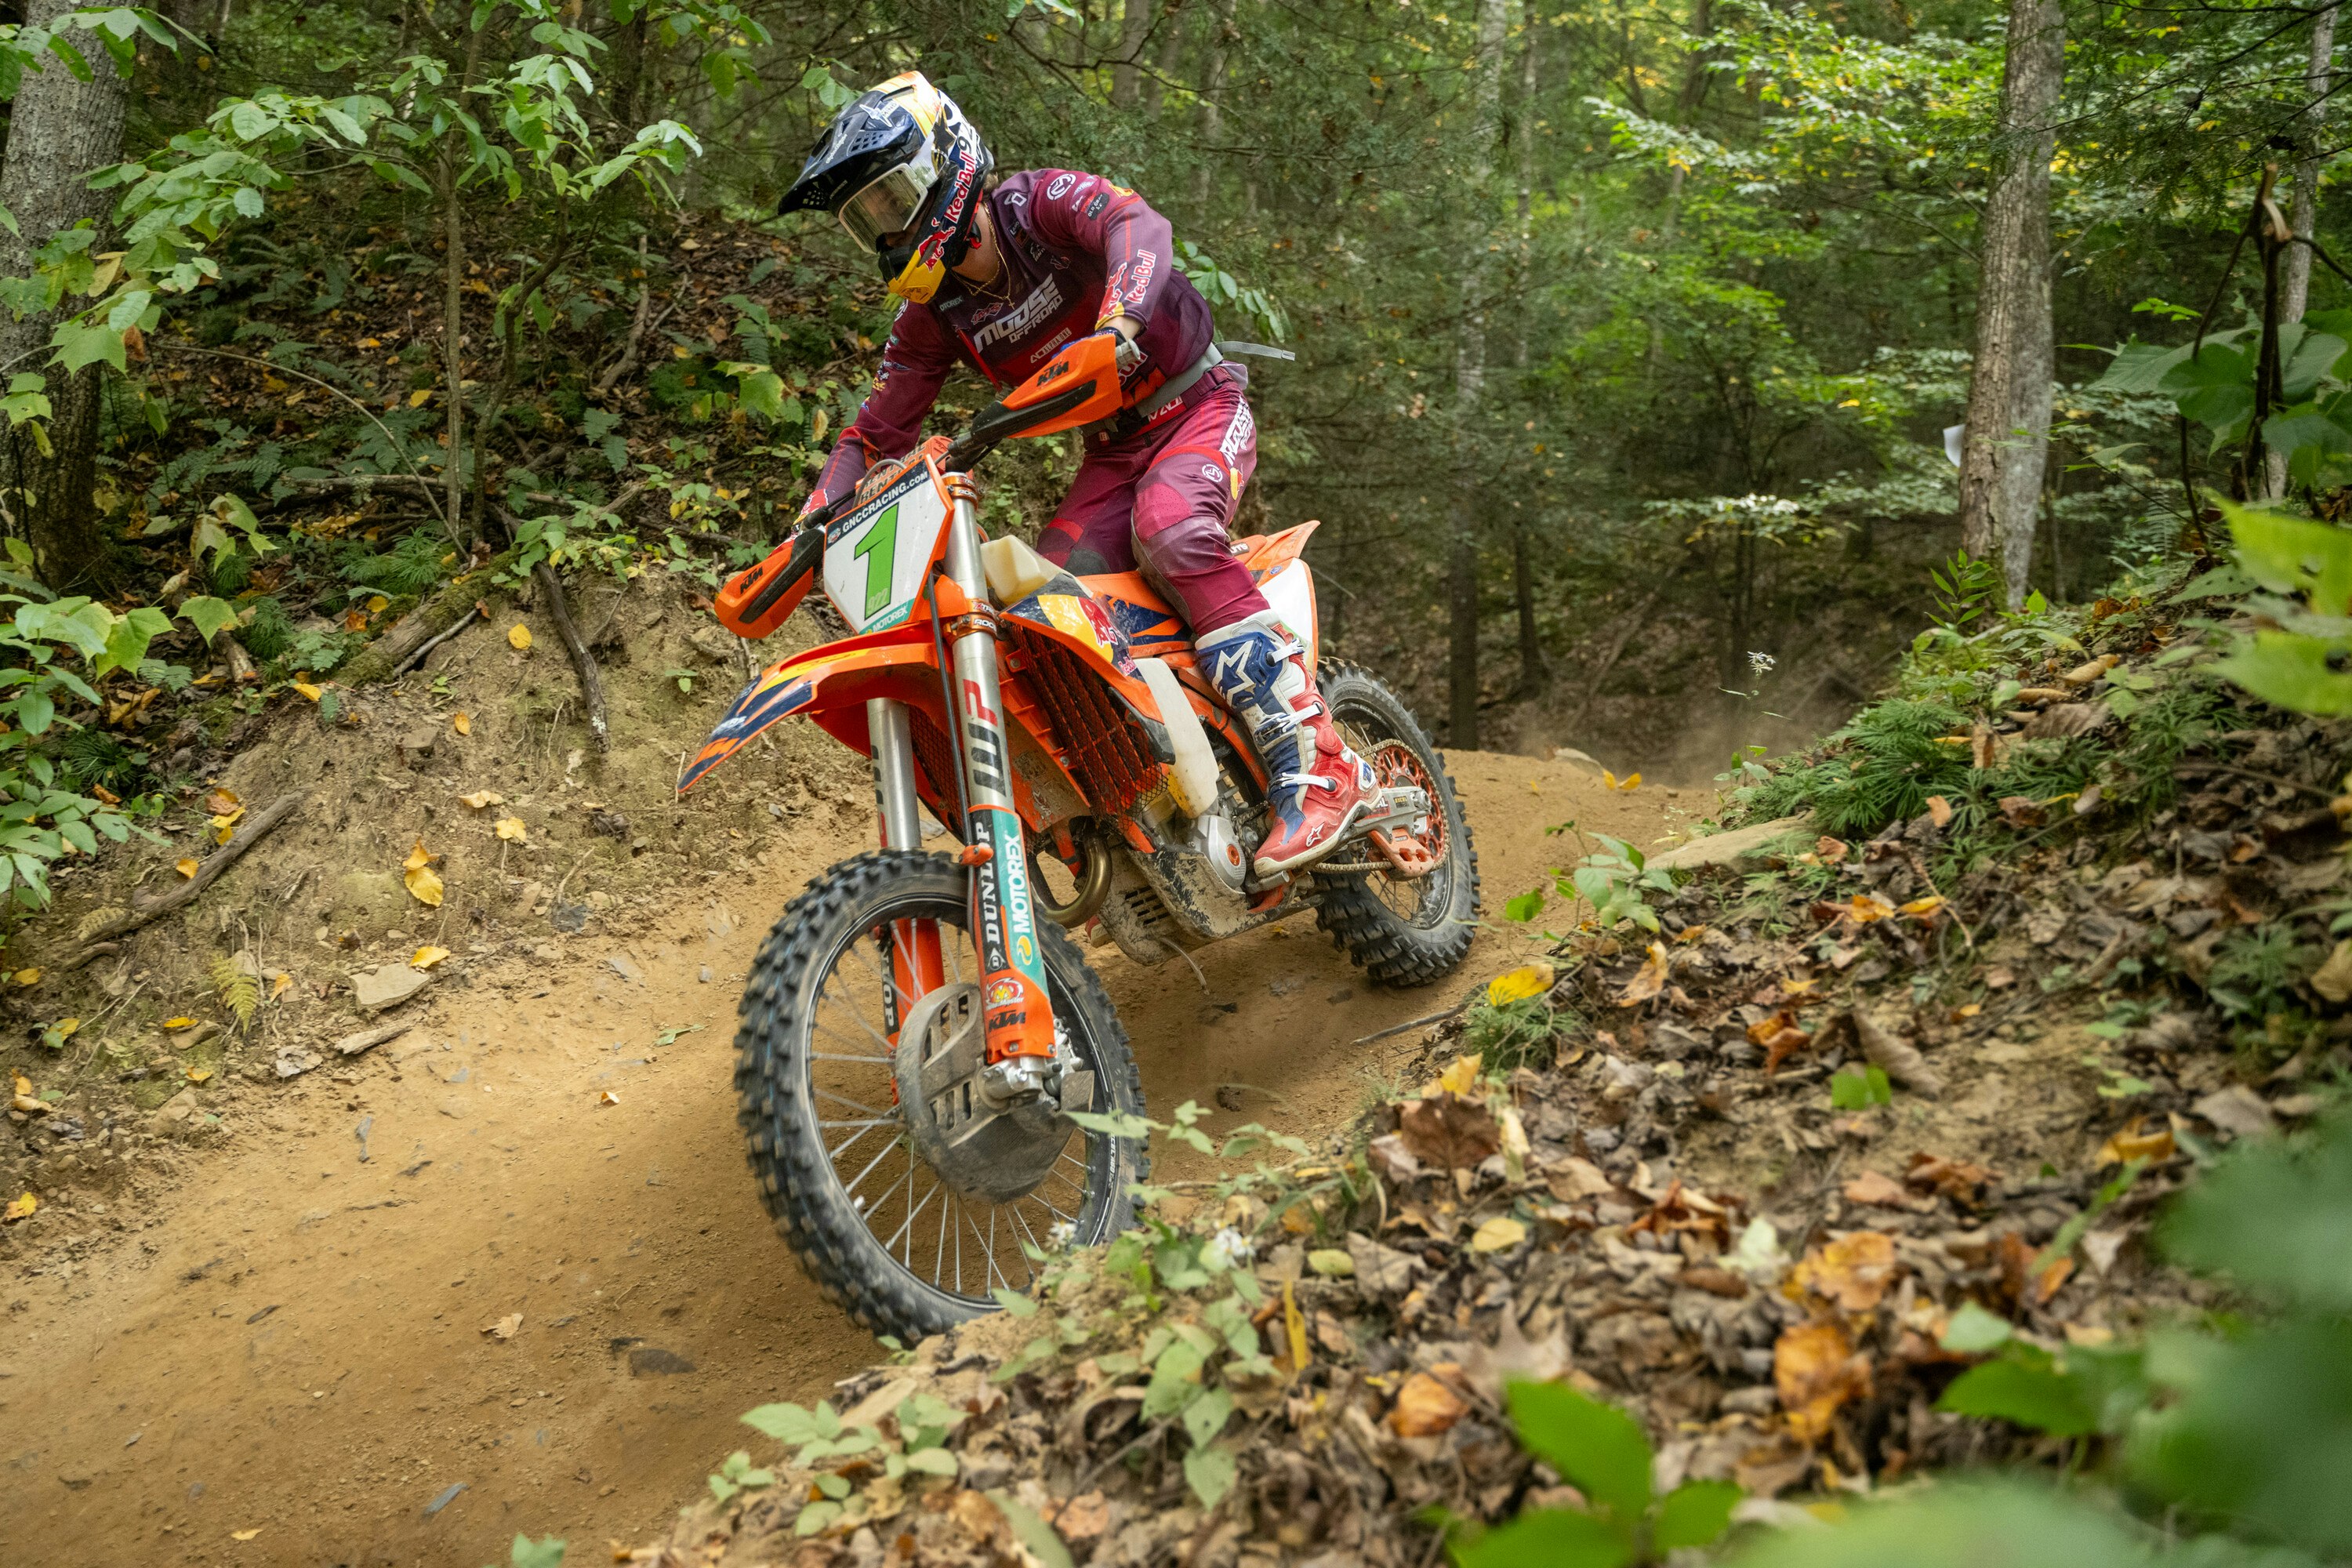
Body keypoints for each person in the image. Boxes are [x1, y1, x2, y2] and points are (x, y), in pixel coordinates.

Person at [776, 71, 1375, 878]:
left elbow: (1138, 225)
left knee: (1171, 527)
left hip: (1197, 401)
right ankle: (1170, 793)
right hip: (1114, 452)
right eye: (866, 220)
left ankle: (1322, 759)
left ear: (946, 163)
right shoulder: (934, 315)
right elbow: (877, 430)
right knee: (1049, 611)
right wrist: (807, 528)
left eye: (891, 200)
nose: (884, 231)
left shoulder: (1040, 205)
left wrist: (1121, 319)